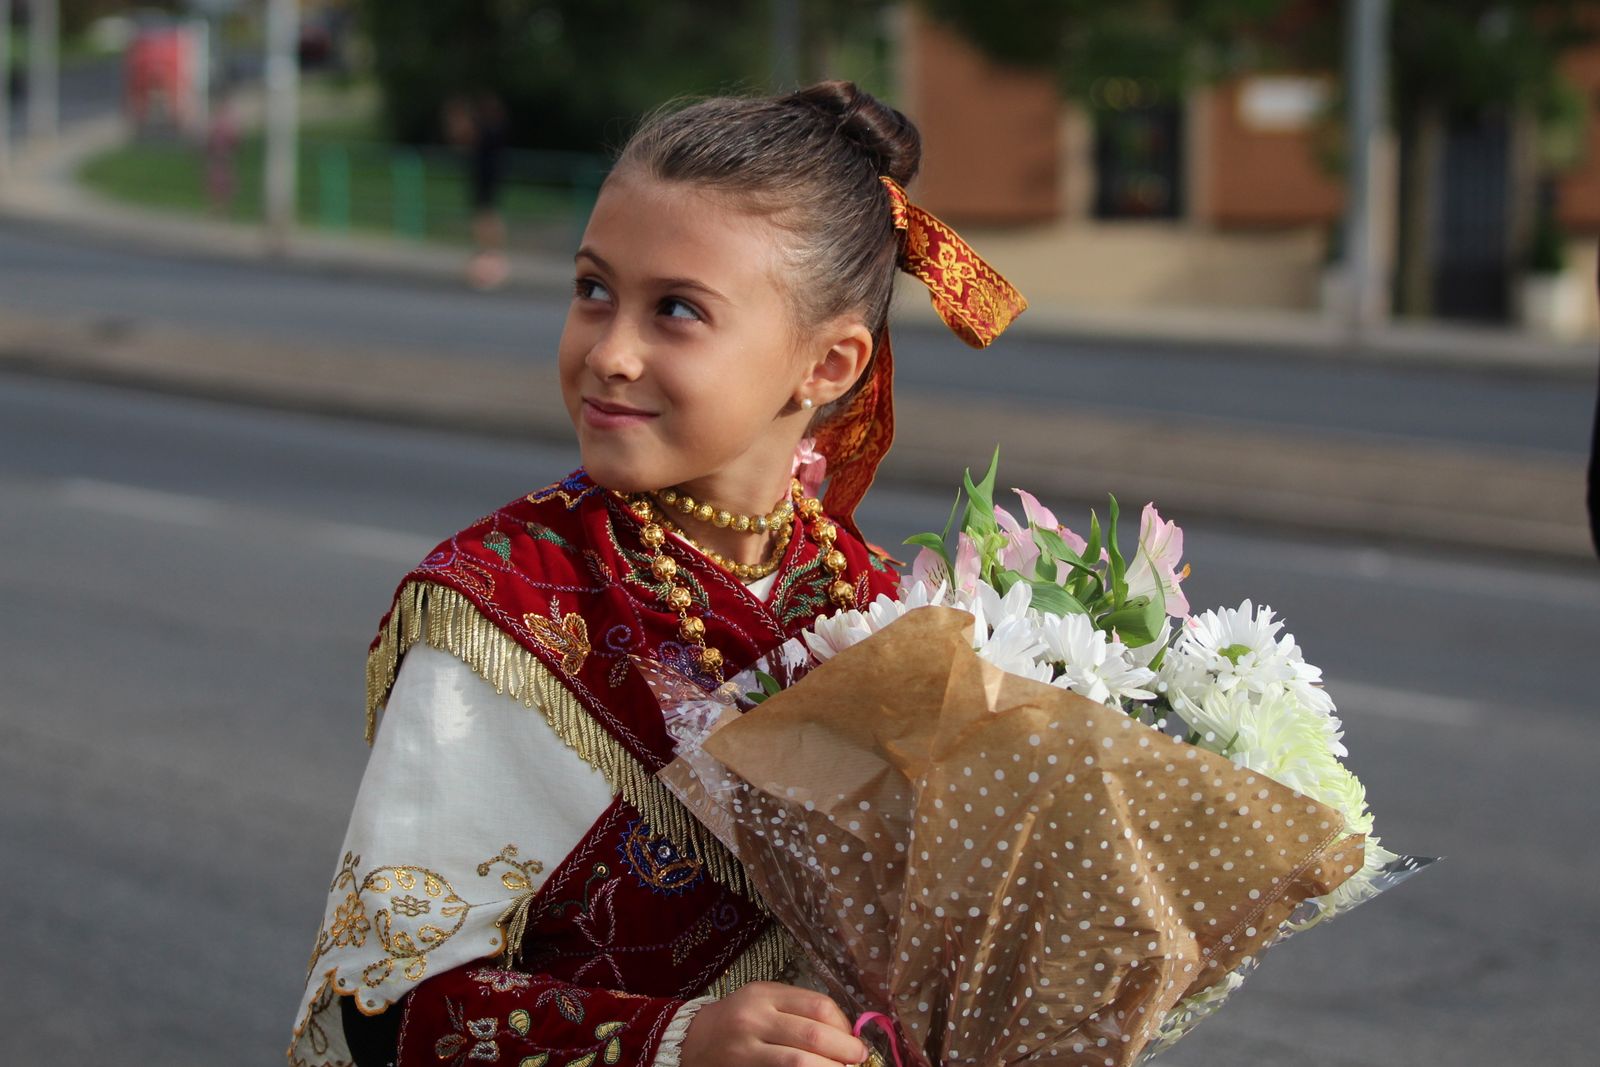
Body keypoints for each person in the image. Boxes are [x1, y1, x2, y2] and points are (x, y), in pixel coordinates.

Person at [287, 81, 1025, 1067]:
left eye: (675, 310)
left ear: (830, 363)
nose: (609, 351)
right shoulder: (500, 608)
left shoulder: (886, 607)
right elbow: (375, 1009)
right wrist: (672, 1041)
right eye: (593, 289)